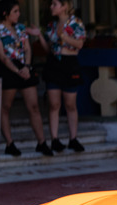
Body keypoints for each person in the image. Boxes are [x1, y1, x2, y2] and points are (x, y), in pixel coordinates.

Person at [0, 0, 50, 156]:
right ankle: (10, 143)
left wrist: (27, 67)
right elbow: (2, 56)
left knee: (34, 106)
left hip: (24, 68)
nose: (19, 14)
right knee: (5, 107)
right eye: (15, 11)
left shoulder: (21, 28)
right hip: (8, 69)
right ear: (5, 13)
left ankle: (42, 142)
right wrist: (17, 71)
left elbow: (27, 49)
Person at [27, 0, 85, 153]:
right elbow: (49, 48)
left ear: (64, 6)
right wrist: (39, 35)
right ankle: (55, 139)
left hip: (70, 63)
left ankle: (73, 138)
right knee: (54, 104)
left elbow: (79, 45)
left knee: (70, 104)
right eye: (51, 4)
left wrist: (63, 37)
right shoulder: (51, 26)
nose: (51, 7)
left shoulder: (76, 22)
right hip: (54, 64)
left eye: (55, 4)